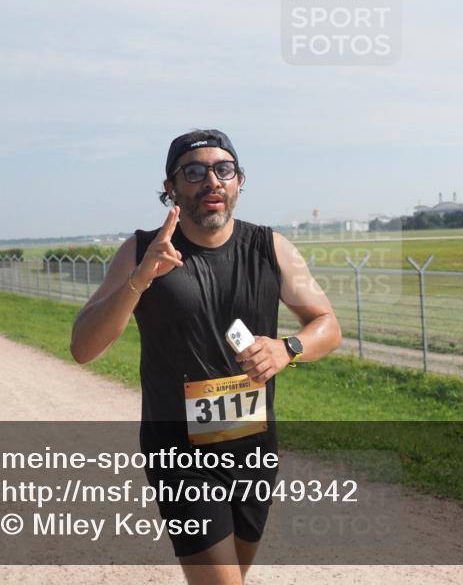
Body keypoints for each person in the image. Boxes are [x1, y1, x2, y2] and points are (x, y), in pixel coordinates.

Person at [71, 129, 341, 585]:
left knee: (232, 573)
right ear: (170, 187)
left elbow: (328, 326)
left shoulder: (271, 248)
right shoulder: (142, 250)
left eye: (223, 169)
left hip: (253, 446)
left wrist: (287, 348)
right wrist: (139, 280)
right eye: (194, 172)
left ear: (239, 181)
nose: (211, 181)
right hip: (178, 452)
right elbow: (83, 347)